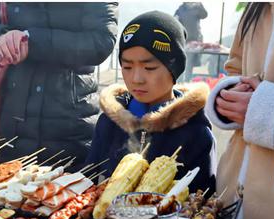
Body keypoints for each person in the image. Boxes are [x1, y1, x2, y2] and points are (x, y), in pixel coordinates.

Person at [86, 11, 216, 193]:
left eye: (149, 68)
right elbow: (88, 182)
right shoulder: (109, 122)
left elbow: (203, 200)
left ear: (174, 68)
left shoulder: (196, 133)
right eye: (127, 67)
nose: (136, 78)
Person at [204, 3, 274, 219]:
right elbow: (235, 67)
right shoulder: (258, 6)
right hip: (231, 195)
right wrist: (229, 98)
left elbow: (262, 104)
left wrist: (270, 111)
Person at [0, 3, 118, 169]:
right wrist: (1, 38)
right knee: (5, 191)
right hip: (15, 118)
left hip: (68, 120)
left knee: (71, 191)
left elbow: (102, 41)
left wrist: (33, 40)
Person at [174, 2, 208, 81]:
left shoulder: (197, 6)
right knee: (184, 63)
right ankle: (183, 82)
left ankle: (189, 81)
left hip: (195, 41)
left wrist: (199, 6)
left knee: (193, 64)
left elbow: (204, 15)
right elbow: (174, 20)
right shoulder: (181, 8)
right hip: (184, 41)